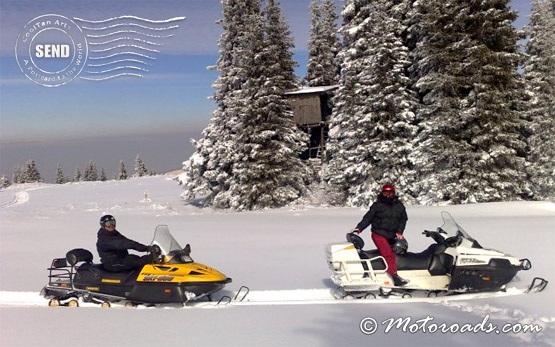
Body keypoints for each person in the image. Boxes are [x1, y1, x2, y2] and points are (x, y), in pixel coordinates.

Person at [353, 184, 409, 286]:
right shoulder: (377, 206)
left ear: (394, 194)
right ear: (382, 193)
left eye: (390, 193)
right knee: (387, 253)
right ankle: (394, 276)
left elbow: (403, 219)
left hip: (392, 235)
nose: (388, 195)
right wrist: (359, 228)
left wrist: (400, 231)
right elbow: (368, 218)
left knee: (401, 249)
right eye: (385, 193)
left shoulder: (399, 206)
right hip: (378, 234)